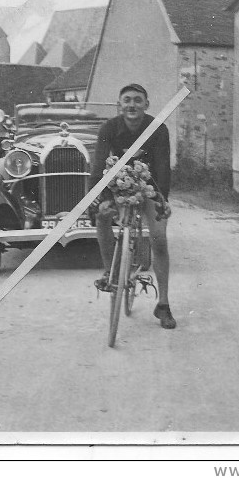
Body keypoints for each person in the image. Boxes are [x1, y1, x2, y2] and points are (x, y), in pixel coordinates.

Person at [88, 83, 176, 329]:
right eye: (127, 100)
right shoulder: (109, 128)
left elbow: (162, 170)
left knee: (159, 238)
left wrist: (161, 200)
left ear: (146, 105)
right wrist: (101, 199)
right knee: (102, 217)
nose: (132, 105)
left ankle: (164, 305)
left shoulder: (158, 130)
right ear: (119, 105)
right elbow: (98, 167)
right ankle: (110, 273)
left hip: (148, 187)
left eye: (138, 100)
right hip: (116, 187)